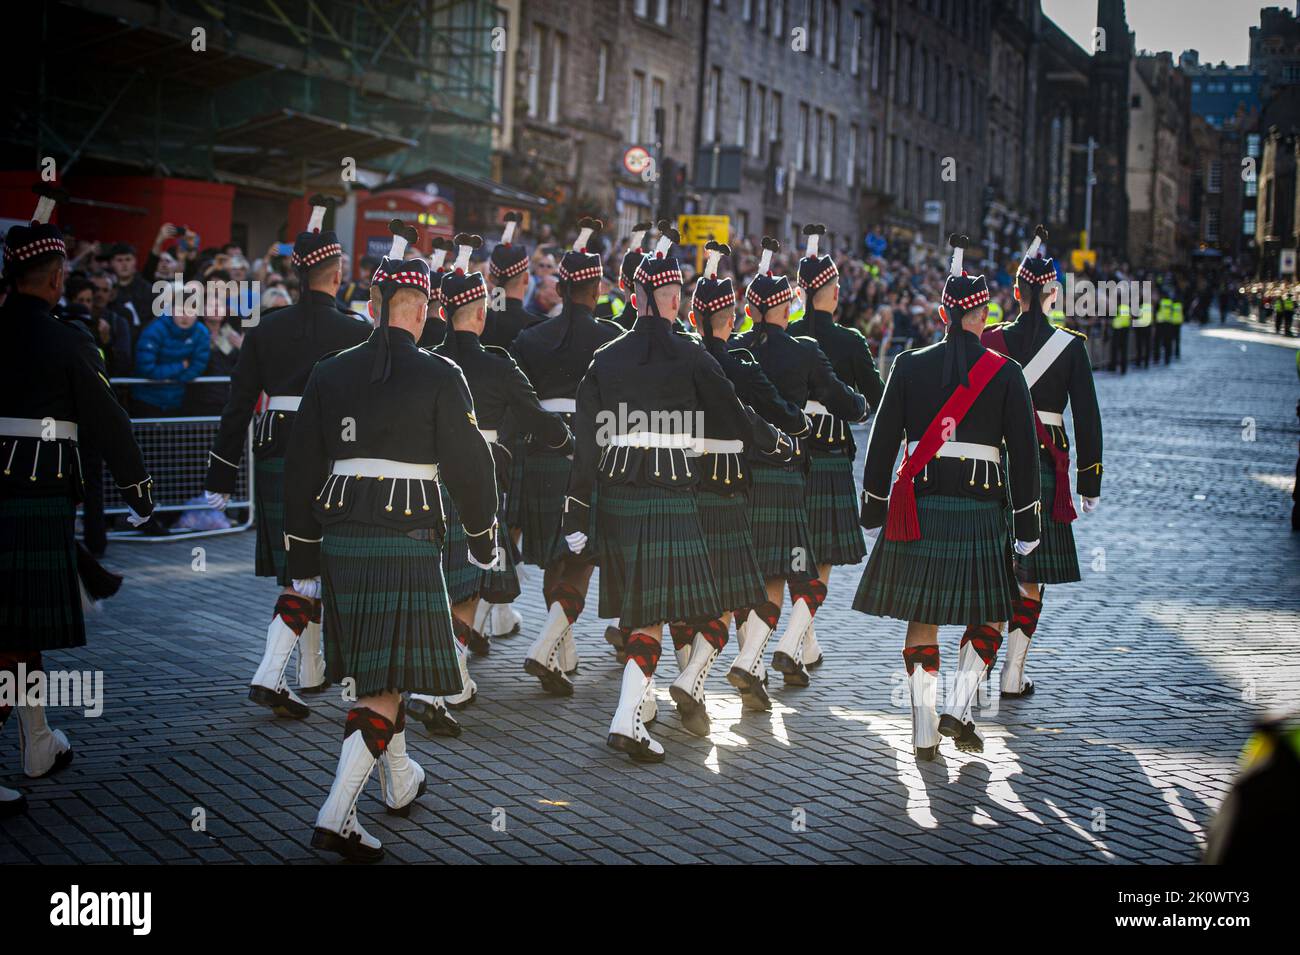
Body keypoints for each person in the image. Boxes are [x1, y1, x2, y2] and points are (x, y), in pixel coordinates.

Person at [283, 223, 499, 862]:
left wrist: (301, 560)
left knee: (384, 667)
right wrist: (484, 538)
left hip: (343, 542)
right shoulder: (440, 372)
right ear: (427, 309)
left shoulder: (329, 372)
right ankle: (337, 812)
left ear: (373, 305)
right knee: (383, 682)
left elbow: (301, 469)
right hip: (407, 541)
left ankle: (399, 780)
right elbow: (470, 466)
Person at [564, 227, 783, 762]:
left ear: (634, 299)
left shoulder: (607, 357)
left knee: (644, 610)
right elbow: (732, 413)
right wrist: (770, 439)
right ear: (674, 300)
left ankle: (632, 715)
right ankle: (629, 717)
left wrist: (576, 510)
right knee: (656, 610)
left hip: (617, 492)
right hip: (670, 490)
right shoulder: (690, 355)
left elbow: (587, 440)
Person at [853, 234, 1040, 760]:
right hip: (980, 508)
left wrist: (873, 506)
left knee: (923, 614)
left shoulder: (910, 365)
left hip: (920, 502)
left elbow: (882, 439)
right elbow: (1024, 458)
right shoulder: (1007, 372)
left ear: (941, 313)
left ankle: (922, 725)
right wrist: (1027, 527)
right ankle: (959, 704)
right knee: (991, 613)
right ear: (982, 314)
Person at [0, 185, 154, 817]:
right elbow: (109, 420)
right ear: (58, 275)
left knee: (20, 631)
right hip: (35, 499)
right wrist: (139, 491)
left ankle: (37, 742)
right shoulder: (68, 341)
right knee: (10, 637)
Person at [203, 195, 370, 720]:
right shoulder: (356, 330)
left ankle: (309, 667)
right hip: (329, 450)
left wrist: (222, 473)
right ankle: (273, 670)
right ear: (337, 271)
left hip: (275, 445)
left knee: (300, 565)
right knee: (314, 563)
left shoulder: (266, 328)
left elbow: (236, 405)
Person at [407, 233, 572, 736]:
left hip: (422, 486)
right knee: (468, 585)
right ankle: (442, 682)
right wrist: (563, 437)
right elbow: (540, 420)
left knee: (436, 582)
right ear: (478, 313)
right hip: (477, 486)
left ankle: (442, 677)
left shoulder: (424, 358)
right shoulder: (498, 366)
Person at [734, 237, 865, 690]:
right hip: (798, 463)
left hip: (741, 470)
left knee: (756, 565)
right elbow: (842, 397)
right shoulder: (809, 349)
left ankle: (754, 656)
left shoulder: (736, 349)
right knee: (806, 561)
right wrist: (859, 406)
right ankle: (789, 642)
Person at [983, 227, 1103, 700]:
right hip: (1048, 463)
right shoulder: (1072, 346)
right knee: (1031, 573)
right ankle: (1014, 671)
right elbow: (1088, 418)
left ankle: (979, 669)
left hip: (998, 460)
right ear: (1052, 292)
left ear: (1015, 292)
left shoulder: (991, 338)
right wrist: (1088, 480)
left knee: (996, 567)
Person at [689, 240, 805, 716]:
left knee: (702, 585)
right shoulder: (742, 363)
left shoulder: (683, 357)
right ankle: (734, 664)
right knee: (753, 580)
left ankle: (711, 676)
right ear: (732, 315)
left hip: (685, 481)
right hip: (740, 479)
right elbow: (780, 413)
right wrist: (790, 430)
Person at [512, 219, 623, 695]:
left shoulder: (531, 338)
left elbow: (519, 403)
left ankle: (563, 649)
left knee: (556, 557)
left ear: (559, 286)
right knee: (581, 557)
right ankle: (546, 644)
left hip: (541, 455)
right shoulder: (613, 338)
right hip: (589, 453)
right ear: (596, 288)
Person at [795, 225, 883, 673]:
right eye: (836, 286)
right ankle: (795, 638)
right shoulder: (849, 341)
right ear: (828, 291)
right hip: (828, 453)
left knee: (794, 550)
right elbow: (876, 397)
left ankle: (803, 641)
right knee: (823, 554)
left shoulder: (784, 333)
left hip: (787, 452)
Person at [476, 214, 544, 643]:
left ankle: (495, 613)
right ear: (524, 277)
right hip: (515, 440)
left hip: (465, 435)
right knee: (506, 526)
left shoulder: (475, 320)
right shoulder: (534, 329)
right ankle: (487, 614)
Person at [130, 298, 210, 417]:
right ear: (172, 310)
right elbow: (146, 368)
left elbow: (198, 366)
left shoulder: (201, 332)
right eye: (180, 310)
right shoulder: (154, 330)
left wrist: (176, 378)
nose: (185, 316)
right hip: (147, 399)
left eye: (190, 311)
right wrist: (181, 366)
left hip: (179, 401)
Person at [1109, 297, 1130, 375]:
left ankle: (1113, 367)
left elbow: (1111, 317)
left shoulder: (1116, 307)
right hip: (1125, 329)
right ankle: (1123, 368)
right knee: (1124, 350)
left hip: (1117, 329)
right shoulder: (1127, 307)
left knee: (1115, 349)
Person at [1132, 294, 1154, 369]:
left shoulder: (1139, 306)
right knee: (1147, 345)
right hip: (1148, 327)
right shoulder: (1149, 306)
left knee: (1140, 345)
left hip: (1140, 327)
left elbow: (1135, 316)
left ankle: (1139, 361)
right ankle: (1146, 362)